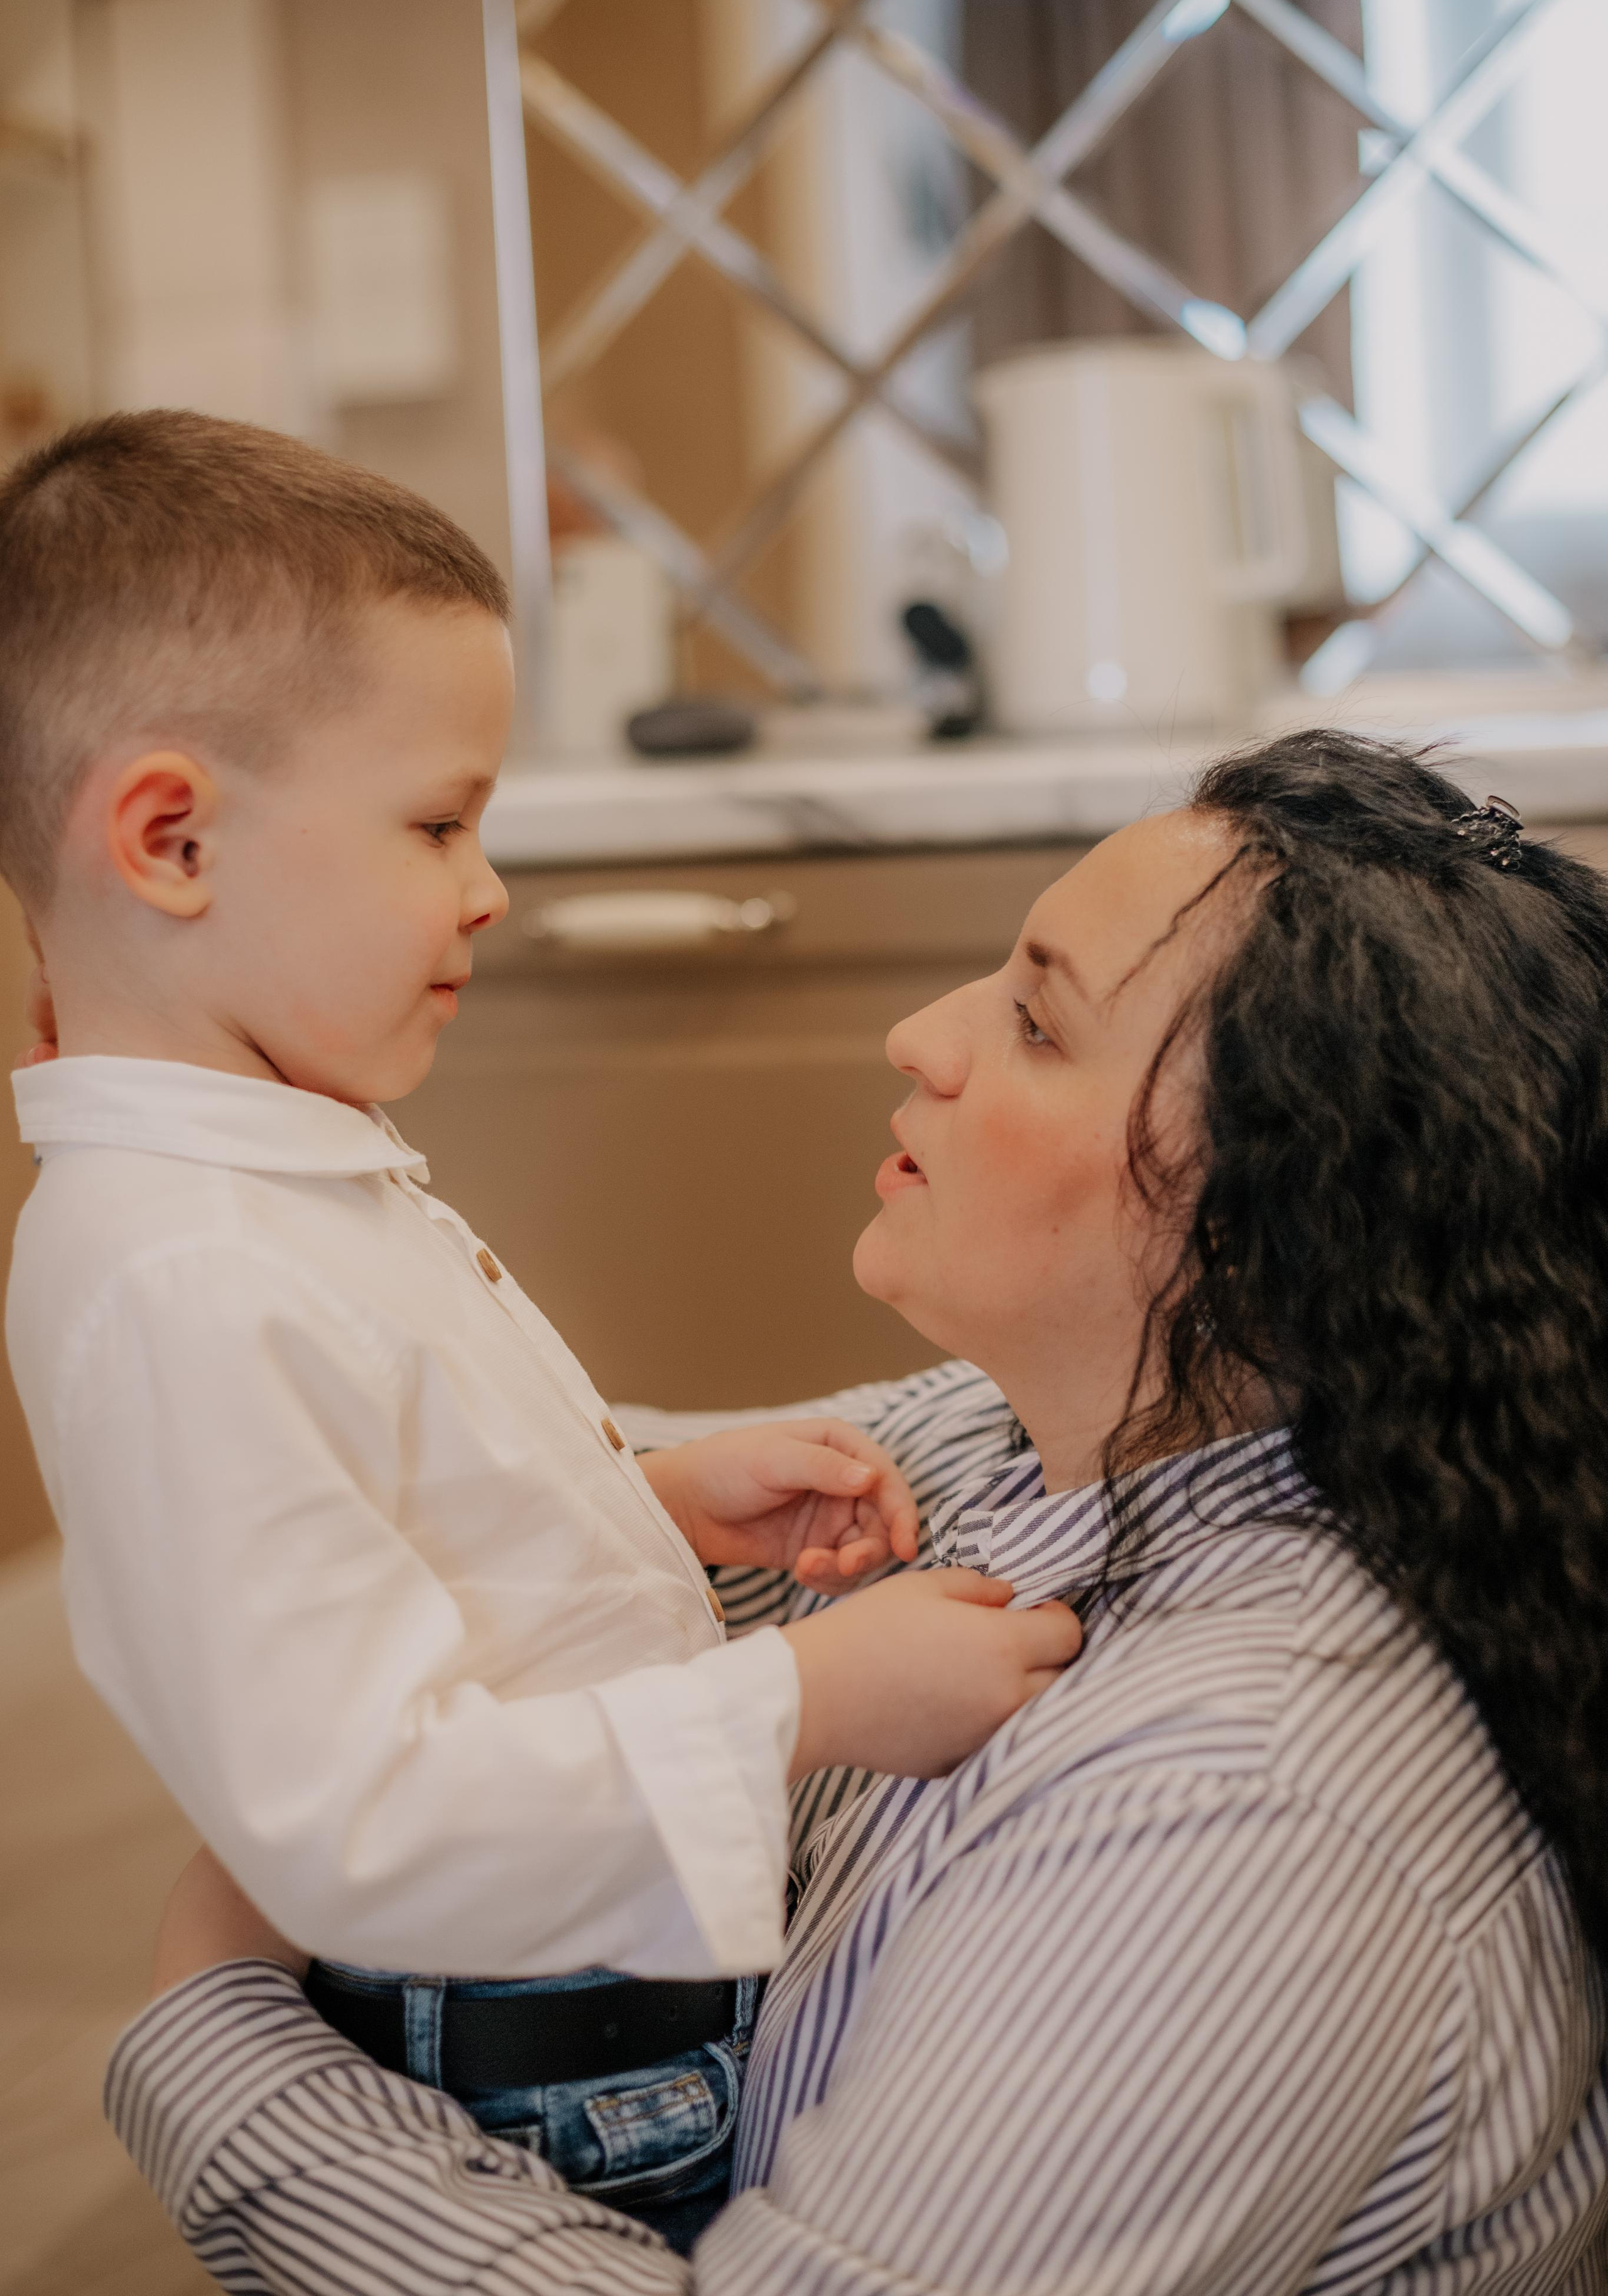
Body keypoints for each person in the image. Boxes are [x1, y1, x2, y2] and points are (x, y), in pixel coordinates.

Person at [101, 729, 1608, 2295]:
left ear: (1255, 1228)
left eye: (1034, 1023)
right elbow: (461, 1474)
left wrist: (219, 2027)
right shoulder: (1016, 1443)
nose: (920, 1035)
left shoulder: (1242, 1800)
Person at [0, 411, 1078, 2250]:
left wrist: (644, 1498)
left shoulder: (274, 1174)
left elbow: (390, 1503)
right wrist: (811, 1698)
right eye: (440, 824)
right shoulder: (182, 1277)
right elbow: (367, 1815)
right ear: (170, 838)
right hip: (546, 2071)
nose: (487, 886)